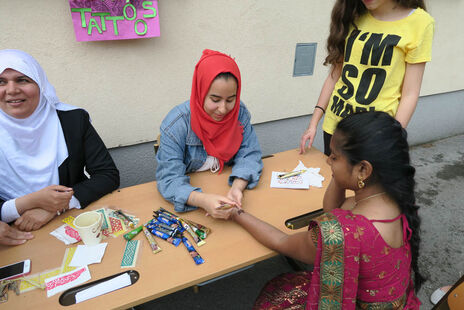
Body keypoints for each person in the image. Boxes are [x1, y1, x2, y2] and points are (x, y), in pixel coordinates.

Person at [228, 112, 424, 309]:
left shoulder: (338, 234)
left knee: (276, 294)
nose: (328, 161)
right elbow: (333, 210)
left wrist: (236, 214)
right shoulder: (396, 200)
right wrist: (340, 175)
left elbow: (282, 241)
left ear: (363, 170)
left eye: (335, 157)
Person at [0, 49, 120, 239]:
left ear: (40, 83)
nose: (12, 90)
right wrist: (26, 203)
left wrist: (57, 207)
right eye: (1, 82)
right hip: (14, 234)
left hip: (71, 223)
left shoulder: (73, 119)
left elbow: (107, 175)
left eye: (23, 80)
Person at [299, 0, 434, 156]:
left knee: (368, 181)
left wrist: (391, 138)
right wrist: (313, 123)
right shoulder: (352, 14)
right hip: (335, 127)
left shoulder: (420, 22)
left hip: (375, 135)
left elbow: (410, 94)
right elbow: (334, 76)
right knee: (334, 178)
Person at [155, 49, 263, 219]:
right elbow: (169, 179)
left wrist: (237, 187)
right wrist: (201, 199)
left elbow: (250, 154)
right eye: (215, 99)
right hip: (194, 209)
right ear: (200, 91)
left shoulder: (238, 112)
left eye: (230, 100)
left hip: (225, 193)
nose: (223, 109)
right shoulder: (176, 123)